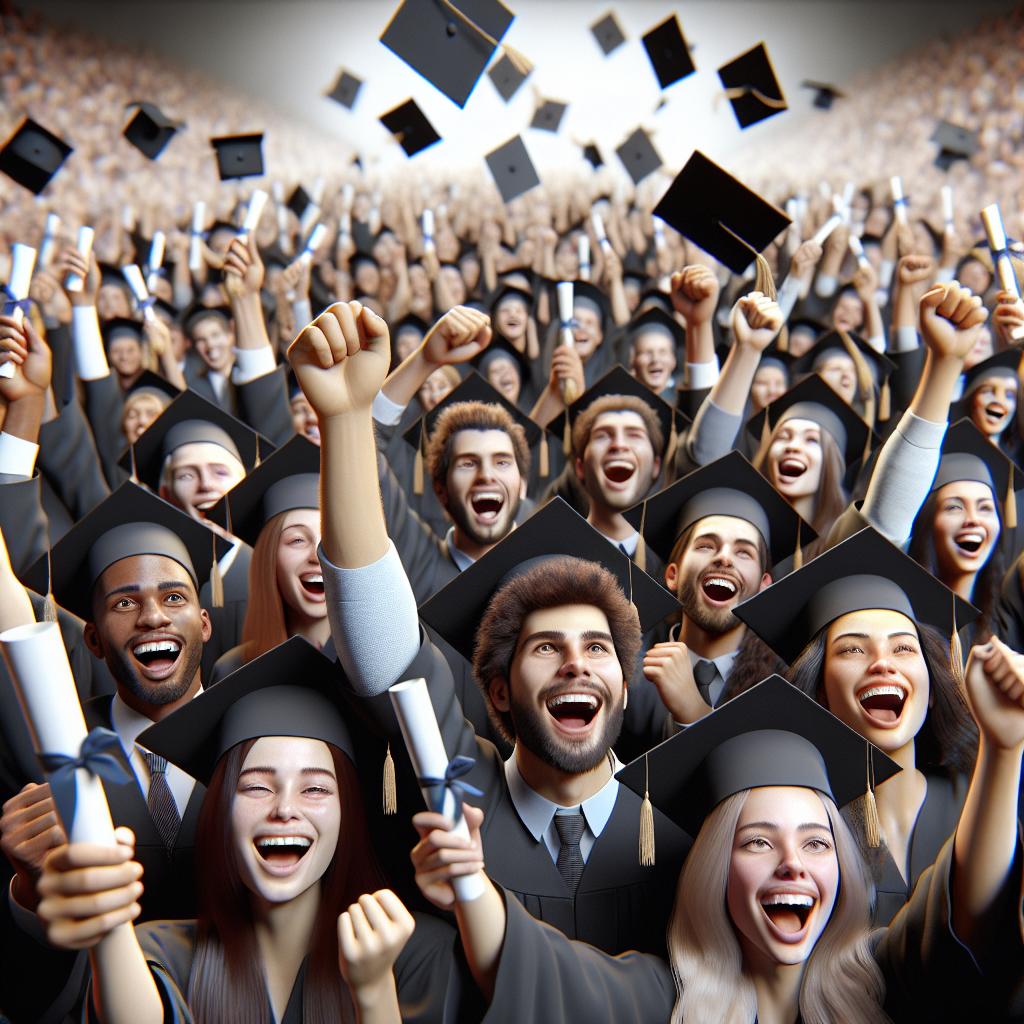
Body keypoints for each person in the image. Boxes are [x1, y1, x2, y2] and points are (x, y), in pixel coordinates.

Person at [289, 300, 689, 956]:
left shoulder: (677, 825)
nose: (575, 663)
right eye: (545, 646)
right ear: (497, 689)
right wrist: (346, 420)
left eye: (596, 646)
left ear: (626, 682)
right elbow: (382, 645)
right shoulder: (465, 795)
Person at [412, 665, 1024, 1023]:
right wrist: (470, 884)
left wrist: (1003, 750)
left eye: (816, 844)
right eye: (758, 842)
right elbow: (545, 977)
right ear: (716, 869)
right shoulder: (664, 1001)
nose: (792, 865)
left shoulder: (881, 978)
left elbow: (964, 909)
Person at [35, 638, 459, 1024]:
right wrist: (108, 929)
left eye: (314, 789)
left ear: (346, 812)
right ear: (222, 807)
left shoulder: (414, 954)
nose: (285, 809)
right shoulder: (165, 954)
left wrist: (374, 992)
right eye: (257, 787)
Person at [734, 527, 981, 924]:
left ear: (932, 689)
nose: (882, 663)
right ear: (820, 693)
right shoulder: (805, 830)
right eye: (853, 649)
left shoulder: (980, 798)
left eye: (903, 648)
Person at [206, 434, 327, 680]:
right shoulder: (233, 671)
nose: (317, 555)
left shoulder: (384, 659)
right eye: (297, 540)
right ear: (269, 560)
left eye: (331, 540)